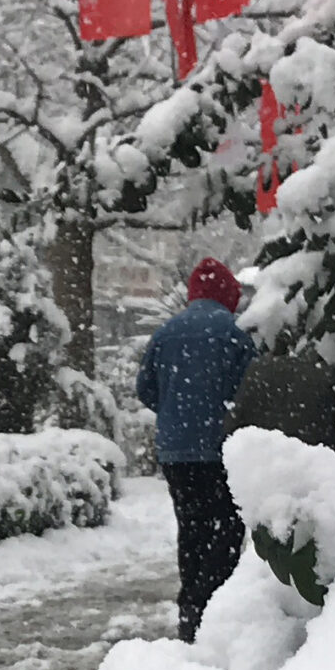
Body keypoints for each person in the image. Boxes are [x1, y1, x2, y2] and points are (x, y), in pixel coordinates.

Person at [137, 259, 256, 641]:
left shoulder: (166, 332)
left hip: (176, 452)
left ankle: (190, 608)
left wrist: (174, 413)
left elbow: (145, 389)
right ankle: (214, 607)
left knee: (191, 529)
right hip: (220, 447)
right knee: (227, 527)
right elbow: (250, 390)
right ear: (228, 295)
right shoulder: (235, 333)